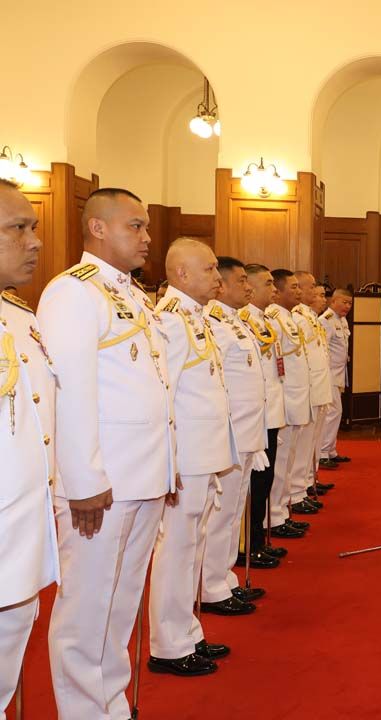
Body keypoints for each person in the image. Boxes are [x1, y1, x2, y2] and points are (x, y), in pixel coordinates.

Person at [38, 187, 174, 720]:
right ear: (97, 228)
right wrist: (83, 480)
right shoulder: (74, 292)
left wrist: (168, 463)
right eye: (135, 226)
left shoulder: (132, 295)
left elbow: (153, 386)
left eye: (146, 227)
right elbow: (70, 390)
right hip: (102, 483)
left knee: (120, 605)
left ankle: (109, 705)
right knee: (87, 609)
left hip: (142, 474)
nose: (147, 237)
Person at [148, 238, 238, 677]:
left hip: (204, 454)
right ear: (181, 274)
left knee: (192, 547)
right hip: (187, 457)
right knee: (177, 550)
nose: (217, 277)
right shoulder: (169, 320)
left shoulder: (194, 316)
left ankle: (186, 630)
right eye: (210, 268)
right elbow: (162, 395)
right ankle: (168, 644)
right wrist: (171, 460)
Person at [0, 179, 59, 714]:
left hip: (20, 532)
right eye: (18, 228)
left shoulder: (21, 318)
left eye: (33, 227)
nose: (35, 241)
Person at [199, 256, 272, 615]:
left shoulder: (235, 321)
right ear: (222, 285)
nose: (247, 287)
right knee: (221, 514)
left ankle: (224, 578)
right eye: (241, 280)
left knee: (231, 514)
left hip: (246, 432)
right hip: (228, 436)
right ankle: (210, 586)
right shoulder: (213, 322)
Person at [241, 264, 297, 555]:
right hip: (256, 417)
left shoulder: (264, 320)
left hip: (271, 413)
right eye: (267, 284)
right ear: (249, 286)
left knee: (265, 480)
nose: (273, 289)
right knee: (255, 484)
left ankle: (258, 538)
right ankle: (249, 544)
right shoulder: (243, 321)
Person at [267, 270, 316, 531]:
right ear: (278, 291)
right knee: (280, 462)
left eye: (299, 287)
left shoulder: (288, 318)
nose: (298, 292)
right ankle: (274, 516)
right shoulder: (274, 320)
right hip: (284, 401)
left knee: (288, 459)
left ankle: (283, 509)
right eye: (293, 287)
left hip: (296, 398)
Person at [291, 271, 334, 497]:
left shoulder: (309, 316)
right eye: (311, 286)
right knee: (302, 444)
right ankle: (299, 489)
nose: (316, 290)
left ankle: (309, 480)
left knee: (312, 441)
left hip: (319, 387)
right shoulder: (297, 317)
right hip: (308, 390)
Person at [319, 287, 353, 467]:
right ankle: (323, 453)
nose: (347, 306)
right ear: (333, 301)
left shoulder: (342, 320)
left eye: (350, 303)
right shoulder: (325, 321)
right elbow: (322, 349)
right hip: (329, 374)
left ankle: (331, 450)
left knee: (335, 413)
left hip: (339, 374)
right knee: (332, 413)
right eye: (344, 302)